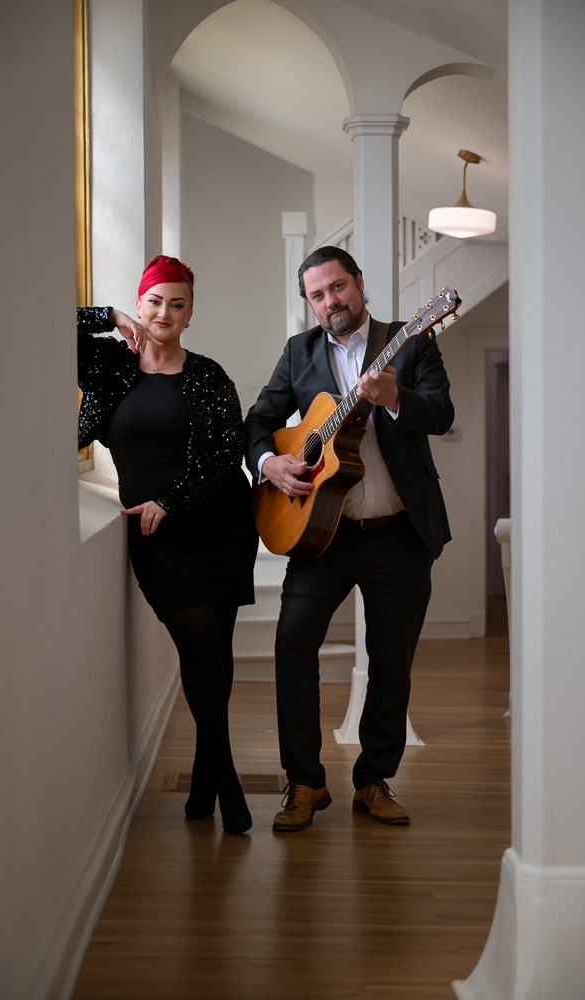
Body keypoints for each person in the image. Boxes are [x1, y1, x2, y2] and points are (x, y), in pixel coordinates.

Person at [244, 246, 454, 832]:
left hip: (399, 534)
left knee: (391, 661)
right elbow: (259, 421)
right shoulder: (299, 352)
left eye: (337, 287)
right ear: (309, 303)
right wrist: (269, 463)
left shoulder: (410, 341)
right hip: (322, 537)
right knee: (292, 645)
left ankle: (373, 781)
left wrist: (395, 398)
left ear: (359, 283)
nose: (330, 301)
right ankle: (305, 781)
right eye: (317, 294)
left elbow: (441, 413)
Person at [77, 255, 258, 834]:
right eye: (155, 302)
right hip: (158, 539)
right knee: (199, 644)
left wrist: (170, 499)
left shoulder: (208, 374)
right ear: (141, 303)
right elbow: (41, 326)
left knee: (216, 653)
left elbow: (225, 454)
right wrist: (108, 316)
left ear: (189, 314)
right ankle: (226, 779)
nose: (164, 313)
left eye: (177, 305)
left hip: (219, 524)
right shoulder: (109, 364)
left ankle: (205, 781)